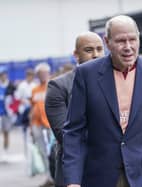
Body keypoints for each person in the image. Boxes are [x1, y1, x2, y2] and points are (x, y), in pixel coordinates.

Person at [63, 15, 142, 187]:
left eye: (133, 39)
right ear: (107, 42)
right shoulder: (87, 74)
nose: (128, 47)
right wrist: (73, 180)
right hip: (99, 177)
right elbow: (73, 131)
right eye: (121, 41)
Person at [45, 31, 105, 187]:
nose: (96, 55)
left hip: (109, 170)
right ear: (76, 55)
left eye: (100, 49)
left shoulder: (116, 82)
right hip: (76, 173)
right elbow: (67, 136)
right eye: (89, 50)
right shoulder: (58, 87)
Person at [30, 63, 54, 187]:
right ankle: (49, 177)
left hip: (51, 124)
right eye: (40, 73)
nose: (43, 75)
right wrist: (30, 127)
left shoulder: (53, 86)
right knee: (43, 152)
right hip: (36, 124)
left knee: (55, 152)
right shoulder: (34, 90)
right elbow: (32, 108)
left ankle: (56, 176)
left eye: (45, 73)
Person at [14, 69, 37, 156]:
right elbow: (17, 97)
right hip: (24, 110)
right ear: (27, 76)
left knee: (33, 130)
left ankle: (33, 150)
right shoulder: (22, 85)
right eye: (29, 76)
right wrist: (23, 101)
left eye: (32, 76)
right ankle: (26, 150)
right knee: (25, 130)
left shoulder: (35, 85)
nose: (31, 77)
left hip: (32, 109)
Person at [0, 68, 16, 158]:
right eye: (1, 75)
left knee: (6, 132)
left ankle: (6, 151)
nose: (3, 76)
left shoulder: (11, 86)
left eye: (4, 74)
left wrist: (13, 110)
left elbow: (16, 100)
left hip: (6, 114)